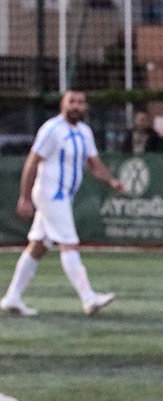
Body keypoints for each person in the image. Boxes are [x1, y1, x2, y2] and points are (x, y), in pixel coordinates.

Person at [1, 90, 123, 317]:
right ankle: (88, 298)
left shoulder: (85, 132)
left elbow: (94, 163)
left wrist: (112, 181)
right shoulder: (52, 129)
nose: (76, 106)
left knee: (38, 245)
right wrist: (24, 197)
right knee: (69, 243)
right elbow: (32, 162)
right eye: (71, 101)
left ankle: (12, 297)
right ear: (62, 105)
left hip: (64, 196)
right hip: (51, 195)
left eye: (80, 102)